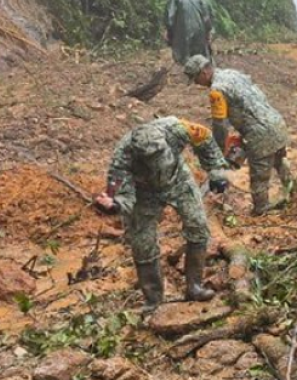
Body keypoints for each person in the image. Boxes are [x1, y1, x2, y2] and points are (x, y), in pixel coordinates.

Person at [94, 117, 230, 313]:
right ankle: (153, 300)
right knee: (142, 242)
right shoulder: (122, 159)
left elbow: (205, 138)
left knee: (198, 225)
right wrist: (114, 206)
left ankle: (195, 287)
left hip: (179, 181)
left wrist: (216, 171)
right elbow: (124, 197)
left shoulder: (177, 128)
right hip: (144, 192)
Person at [184, 55, 290, 215]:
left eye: (195, 79)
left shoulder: (216, 91)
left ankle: (261, 209)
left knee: (259, 176)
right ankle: (294, 190)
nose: (196, 83)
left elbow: (220, 125)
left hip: (260, 133)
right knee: (279, 160)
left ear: (203, 73)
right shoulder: (232, 74)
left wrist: (219, 151)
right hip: (276, 122)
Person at [165, 0, 214, 66]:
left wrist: (169, 32)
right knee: (201, 59)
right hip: (201, 33)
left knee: (184, 59)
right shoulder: (203, 0)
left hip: (183, 34)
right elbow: (209, 19)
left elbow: (170, 18)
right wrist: (208, 32)